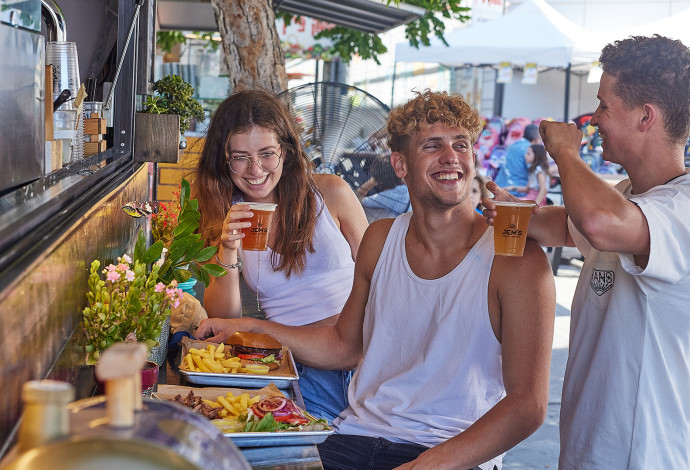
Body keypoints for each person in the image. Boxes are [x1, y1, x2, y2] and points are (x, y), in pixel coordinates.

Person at [196, 90, 556, 470]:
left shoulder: (518, 261)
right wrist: (250, 326)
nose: (450, 157)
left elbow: (527, 407)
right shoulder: (381, 239)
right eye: (432, 146)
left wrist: (425, 466)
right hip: (356, 435)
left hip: (449, 451)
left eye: (460, 145)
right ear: (399, 165)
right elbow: (344, 348)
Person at [483, 35, 690, 469]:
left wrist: (563, 151)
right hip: (591, 448)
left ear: (645, 117)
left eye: (604, 106)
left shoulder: (680, 207)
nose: (593, 119)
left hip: (643, 454)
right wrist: (507, 208)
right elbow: (568, 223)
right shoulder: (632, 196)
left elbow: (599, 223)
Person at [194, 88, 369, 422]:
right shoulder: (224, 214)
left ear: (286, 152)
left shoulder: (331, 193)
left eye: (267, 153)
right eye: (240, 157)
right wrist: (227, 249)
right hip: (292, 365)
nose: (255, 169)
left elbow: (382, 280)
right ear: (224, 160)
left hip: (361, 359)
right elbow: (226, 316)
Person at [494, 123, 541, 196]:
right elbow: (536, 172)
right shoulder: (530, 149)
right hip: (516, 193)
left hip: (499, 188)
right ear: (536, 139)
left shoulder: (513, 145)